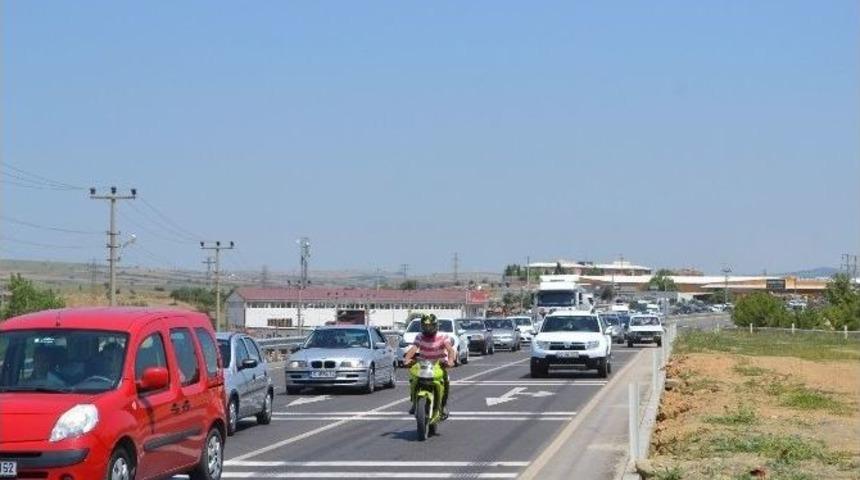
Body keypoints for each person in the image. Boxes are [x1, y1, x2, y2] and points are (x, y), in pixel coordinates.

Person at [402, 314, 457, 419]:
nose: (428, 329)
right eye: (425, 326)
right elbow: (413, 349)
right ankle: (414, 403)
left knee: (446, 382)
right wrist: (407, 359)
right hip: (423, 365)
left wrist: (450, 361)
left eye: (430, 326)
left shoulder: (443, 336)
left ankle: (442, 406)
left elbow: (450, 350)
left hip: (439, 366)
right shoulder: (419, 336)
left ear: (436, 326)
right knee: (413, 379)